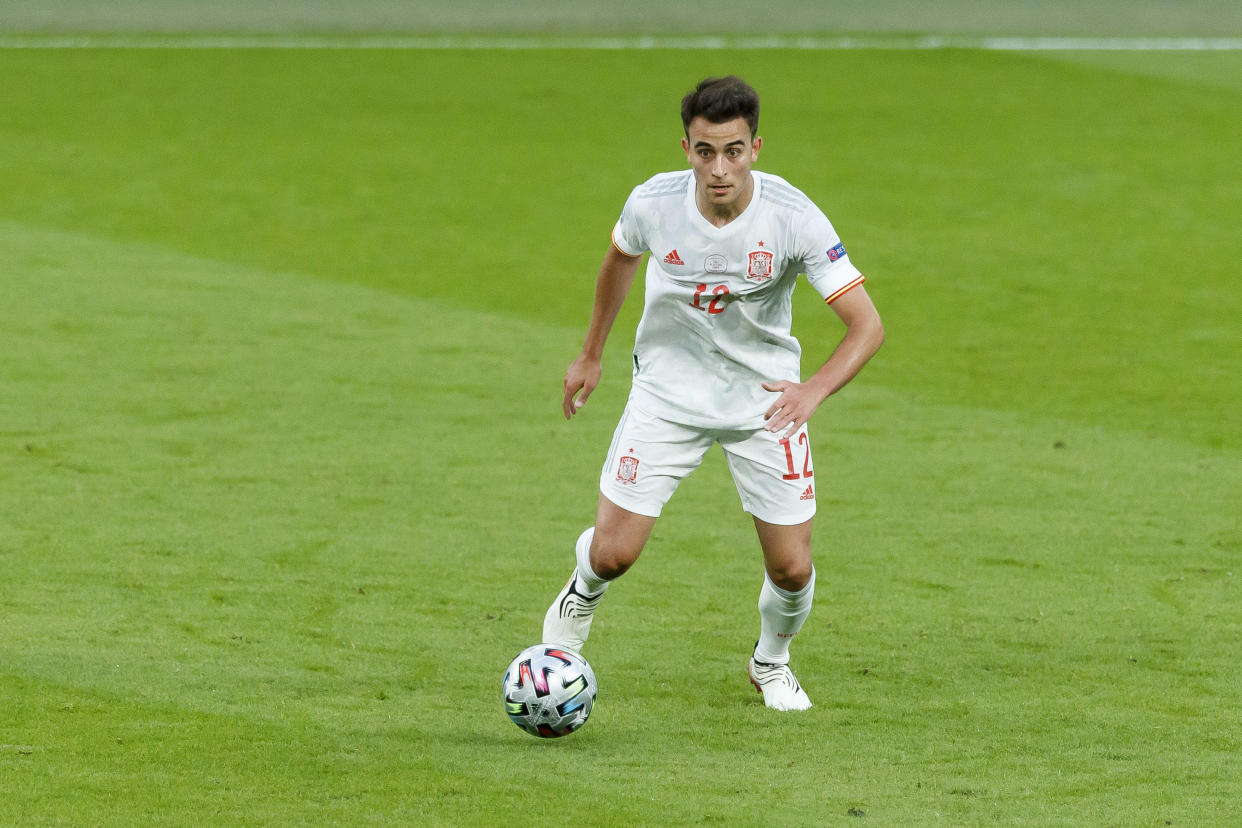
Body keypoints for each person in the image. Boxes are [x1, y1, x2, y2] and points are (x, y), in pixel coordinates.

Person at [542, 75, 884, 711]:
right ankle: (580, 592)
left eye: (733, 150)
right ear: (686, 147)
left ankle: (771, 662)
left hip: (765, 403)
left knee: (792, 570)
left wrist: (813, 391)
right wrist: (591, 353)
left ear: (757, 147)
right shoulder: (653, 203)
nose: (718, 168)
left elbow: (867, 325)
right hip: (667, 394)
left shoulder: (794, 218)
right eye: (705, 151)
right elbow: (619, 258)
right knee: (614, 554)